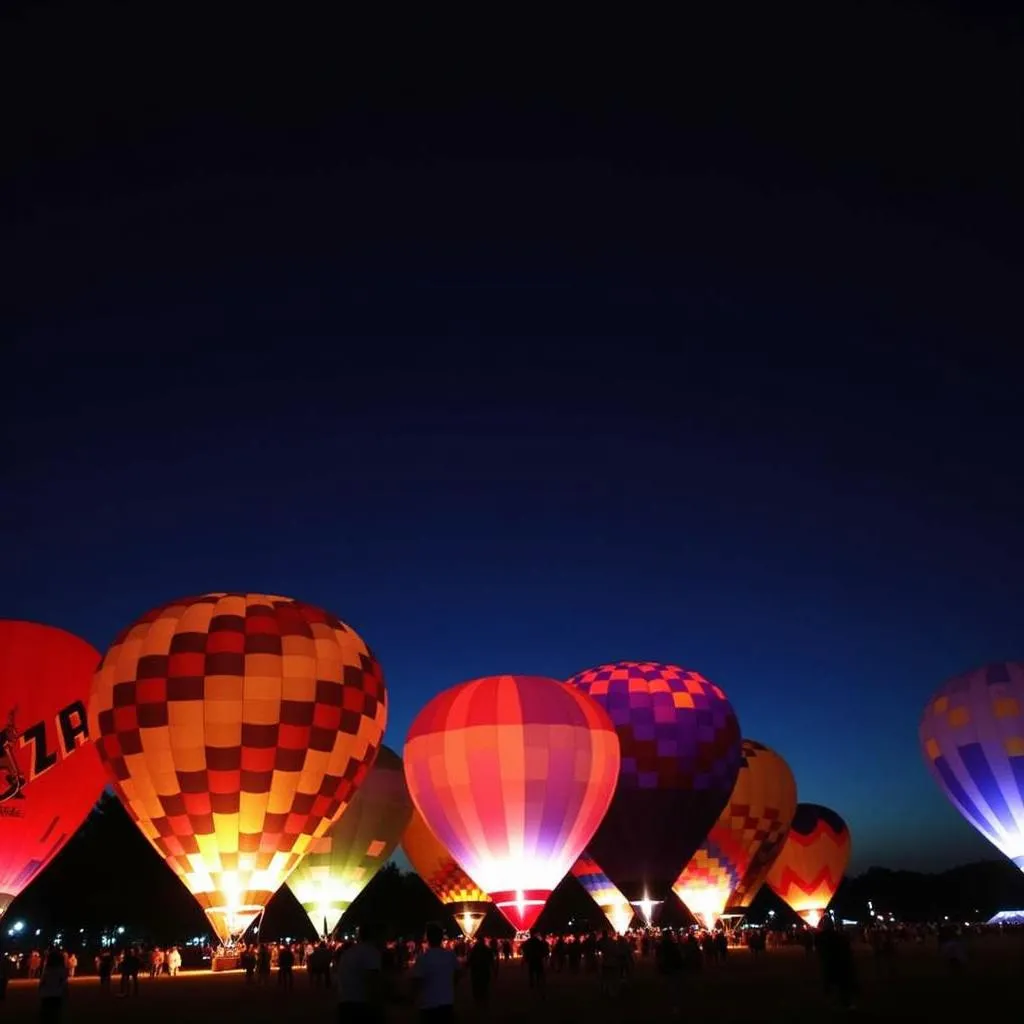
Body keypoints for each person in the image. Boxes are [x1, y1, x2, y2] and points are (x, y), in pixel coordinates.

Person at [333, 923, 384, 1023]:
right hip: (361, 1004)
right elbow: (372, 980)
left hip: (345, 1003)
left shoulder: (348, 953)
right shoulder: (371, 952)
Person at [410, 923, 459, 1023]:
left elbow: (416, 981)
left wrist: (412, 998)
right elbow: (458, 973)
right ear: (442, 938)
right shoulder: (450, 955)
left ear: (427, 938)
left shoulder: (422, 958)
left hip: (428, 1005)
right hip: (446, 1003)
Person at [39, 949, 69, 1024]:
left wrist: (41, 991)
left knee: (47, 1015)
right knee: (55, 1015)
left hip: (46, 995)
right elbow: (64, 984)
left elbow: (42, 983)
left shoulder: (47, 970)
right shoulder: (61, 970)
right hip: (57, 994)